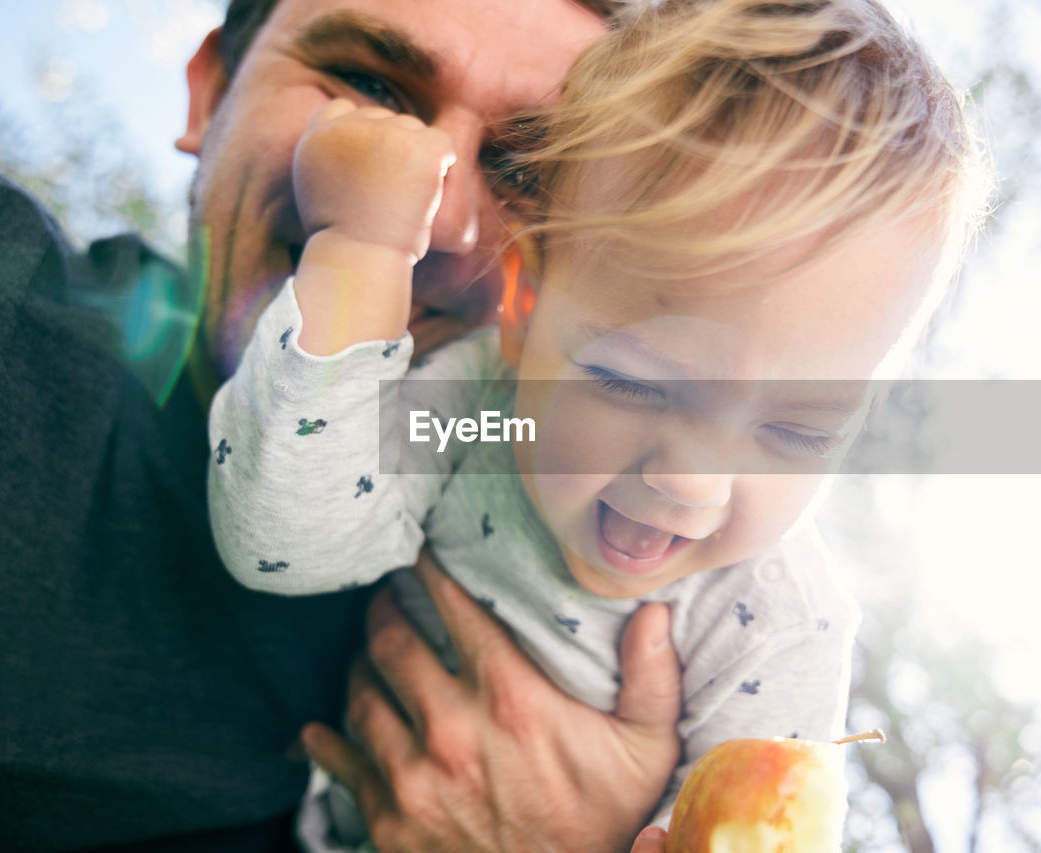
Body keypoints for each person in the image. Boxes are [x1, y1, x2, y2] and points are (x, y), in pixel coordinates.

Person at [207, 0, 990, 848]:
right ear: (522, 306)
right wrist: (359, 250)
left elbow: (757, 828)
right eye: (635, 381)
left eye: (800, 432)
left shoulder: (776, 619)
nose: (693, 482)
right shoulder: (475, 413)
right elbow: (283, 540)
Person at [0, 1, 689, 850]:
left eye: (527, 168)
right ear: (211, 94)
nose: (432, 217)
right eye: (372, 88)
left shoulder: (624, 662)